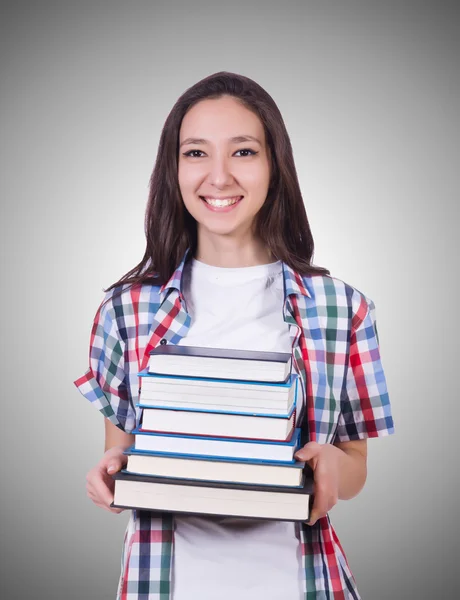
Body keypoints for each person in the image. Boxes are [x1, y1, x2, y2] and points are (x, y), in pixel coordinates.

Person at [74, 71, 394, 600]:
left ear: (274, 166)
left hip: (300, 581)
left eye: (243, 152)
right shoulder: (125, 310)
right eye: (196, 153)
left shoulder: (341, 309)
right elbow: (125, 455)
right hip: (166, 582)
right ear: (173, 169)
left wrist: (332, 466)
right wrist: (110, 476)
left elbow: (355, 468)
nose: (218, 177)